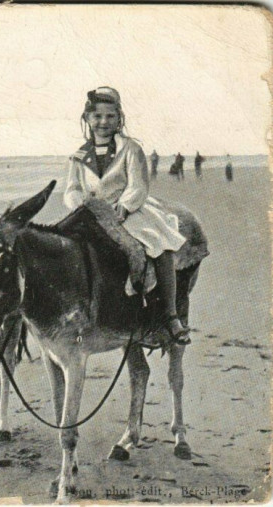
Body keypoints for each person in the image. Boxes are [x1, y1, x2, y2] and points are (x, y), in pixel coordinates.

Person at [63, 87, 190, 346]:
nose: (103, 122)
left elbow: (138, 184)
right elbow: (72, 189)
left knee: (158, 244)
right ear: (87, 118)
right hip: (91, 213)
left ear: (119, 118)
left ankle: (170, 315)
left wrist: (125, 205)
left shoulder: (130, 148)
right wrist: (80, 205)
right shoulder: (79, 156)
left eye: (110, 116)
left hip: (127, 210)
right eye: (97, 116)